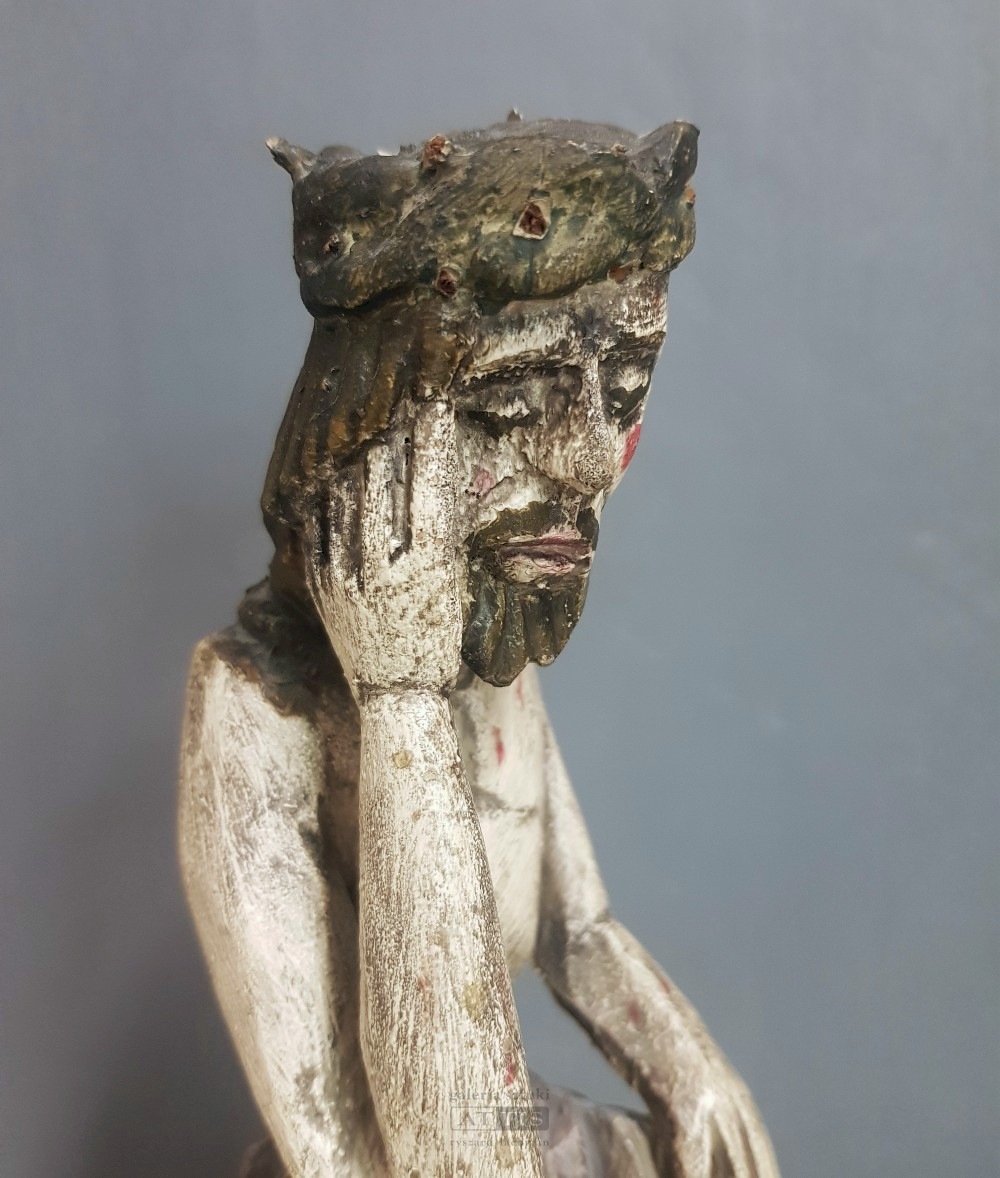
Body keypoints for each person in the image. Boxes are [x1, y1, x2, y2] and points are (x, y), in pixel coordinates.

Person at [178, 114, 778, 1178]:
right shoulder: (252, 714)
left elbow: (577, 929)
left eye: (623, 390)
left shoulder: (484, 654)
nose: (590, 458)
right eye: (509, 402)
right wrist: (398, 694)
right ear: (359, 440)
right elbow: (414, 1155)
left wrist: (686, 1069)